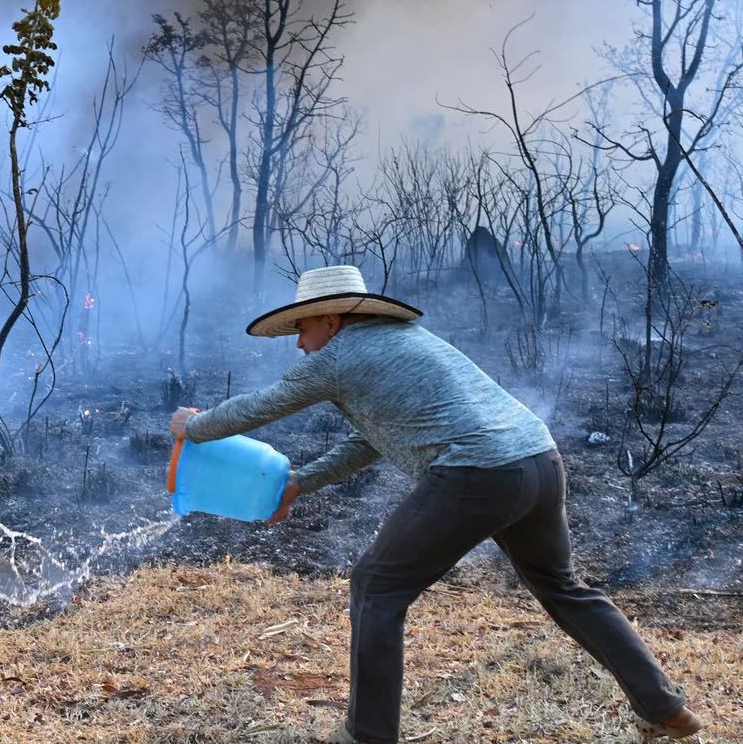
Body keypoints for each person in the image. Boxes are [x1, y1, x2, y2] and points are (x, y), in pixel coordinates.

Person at [167, 265, 701, 744]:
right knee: (564, 588)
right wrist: (300, 483)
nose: (300, 344)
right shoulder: (406, 341)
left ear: (331, 321)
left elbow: (263, 406)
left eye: (302, 329)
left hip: (477, 473)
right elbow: (368, 440)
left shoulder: (340, 357)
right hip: (538, 461)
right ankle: (666, 709)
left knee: (376, 586)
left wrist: (194, 427)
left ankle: (368, 734)